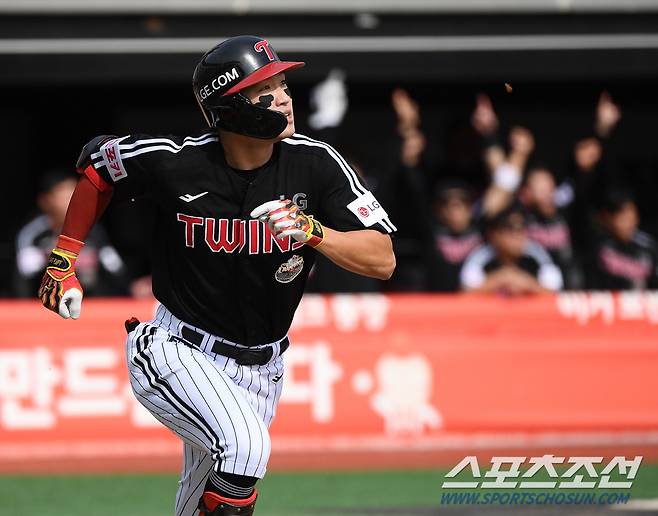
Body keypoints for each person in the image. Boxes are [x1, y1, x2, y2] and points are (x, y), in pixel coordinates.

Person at [37, 35, 396, 516]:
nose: (284, 98)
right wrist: (63, 260)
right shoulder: (178, 161)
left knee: (206, 494)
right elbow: (100, 170)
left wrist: (314, 232)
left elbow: (383, 258)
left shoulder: (316, 163)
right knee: (246, 448)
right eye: (264, 91)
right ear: (228, 107)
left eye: (284, 84)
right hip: (175, 349)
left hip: (263, 366)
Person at [15, 169, 130, 297]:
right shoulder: (33, 233)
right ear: (45, 201)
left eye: (74, 193)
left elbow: (115, 269)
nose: (70, 200)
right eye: (63, 194)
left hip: (91, 305)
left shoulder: (94, 231)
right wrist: (54, 259)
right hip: (44, 304)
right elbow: (24, 273)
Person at [460, 202, 563, 295]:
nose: (517, 235)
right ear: (493, 234)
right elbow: (463, 298)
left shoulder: (538, 256)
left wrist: (527, 283)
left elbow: (556, 297)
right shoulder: (480, 258)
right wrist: (500, 279)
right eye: (509, 228)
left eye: (522, 227)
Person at [585, 190, 658, 290]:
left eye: (631, 218)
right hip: (607, 302)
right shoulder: (599, 246)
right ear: (610, 218)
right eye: (623, 219)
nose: (628, 224)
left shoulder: (649, 247)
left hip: (642, 303)